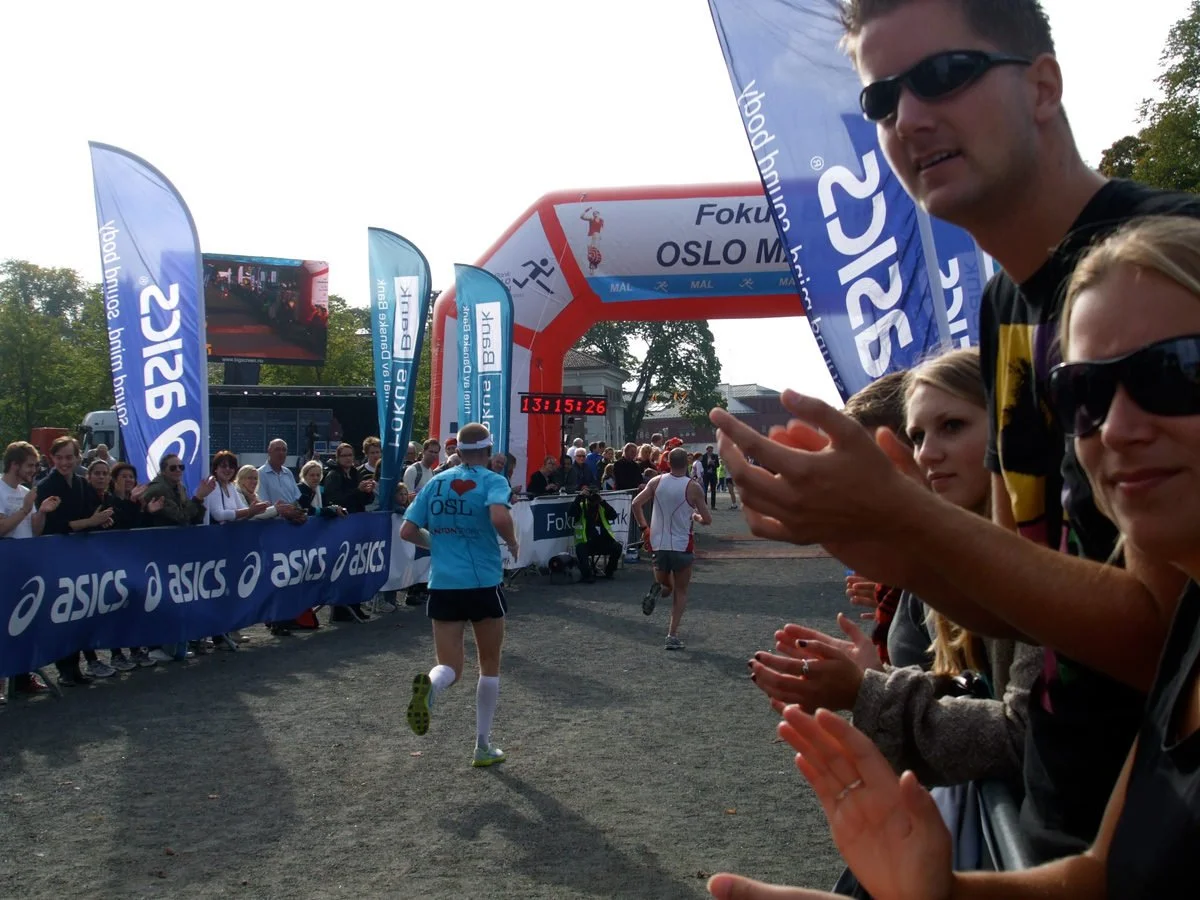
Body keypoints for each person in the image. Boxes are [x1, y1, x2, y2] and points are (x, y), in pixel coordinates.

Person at [710, 0, 1200, 861]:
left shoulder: (1163, 268)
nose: (909, 118)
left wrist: (904, 516)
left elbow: (1161, 636)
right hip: (1059, 829)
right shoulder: (1007, 303)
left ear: (1043, 84)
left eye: (943, 75)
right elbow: (1026, 598)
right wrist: (867, 530)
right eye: (881, 100)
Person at [401, 423, 518, 767]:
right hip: (482, 582)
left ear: (460, 450)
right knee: (490, 665)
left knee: (449, 666)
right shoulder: (493, 480)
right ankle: (482, 745)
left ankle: (432, 686)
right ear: (487, 450)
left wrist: (437, 543)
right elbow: (498, 515)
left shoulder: (435, 481)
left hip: (443, 583)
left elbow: (407, 530)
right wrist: (511, 540)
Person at [631, 447, 712, 649]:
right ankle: (672, 635)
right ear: (687, 463)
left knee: (666, 584)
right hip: (682, 545)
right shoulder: (693, 487)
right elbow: (707, 519)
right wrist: (695, 516)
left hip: (658, 544)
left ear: (668, 462)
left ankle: (661, 587)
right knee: (681, 592)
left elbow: (635, 504)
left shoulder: (656, 481)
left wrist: (644, 527)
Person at [0, 441, 60, 697]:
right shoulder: (1, 490)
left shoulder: (26, 491)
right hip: (5, 567)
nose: (35, 470)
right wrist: (26, 507)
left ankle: (22, 678)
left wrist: (42, 512)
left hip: (24, 567)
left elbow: (34, 531)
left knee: (23, 622)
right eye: (30, 465)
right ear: (14, 464)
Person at [570, 486, 622, 584]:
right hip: (586, 541)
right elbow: (571, 513)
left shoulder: (602, 507)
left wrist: (602, 501)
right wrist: (579, 497)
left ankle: (609, 571)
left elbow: (613, 515)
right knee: (580, 549)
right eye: (591, 499)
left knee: (617, 547)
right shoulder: (581, 507)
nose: (593, 502)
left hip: (602, 542)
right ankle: (587, 575)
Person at [205, 450, 269, 523]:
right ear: (216, 468)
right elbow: (218, 515)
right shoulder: (213, 486)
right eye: (223, 466)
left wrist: (256, 510)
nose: (227, 469)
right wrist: (249, 511)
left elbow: (243, 510)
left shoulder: (231, 486)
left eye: (231, 466)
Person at [256, 439, 306, 523]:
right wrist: (285, 512)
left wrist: (299, 513)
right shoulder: (260, 474)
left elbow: (295, 500)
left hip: (292, 524)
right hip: (271, 525)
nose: (281, 453)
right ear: (269, 452)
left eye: (284, 450)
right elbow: (263, 505)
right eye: (277, 449)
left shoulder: (288, 473)